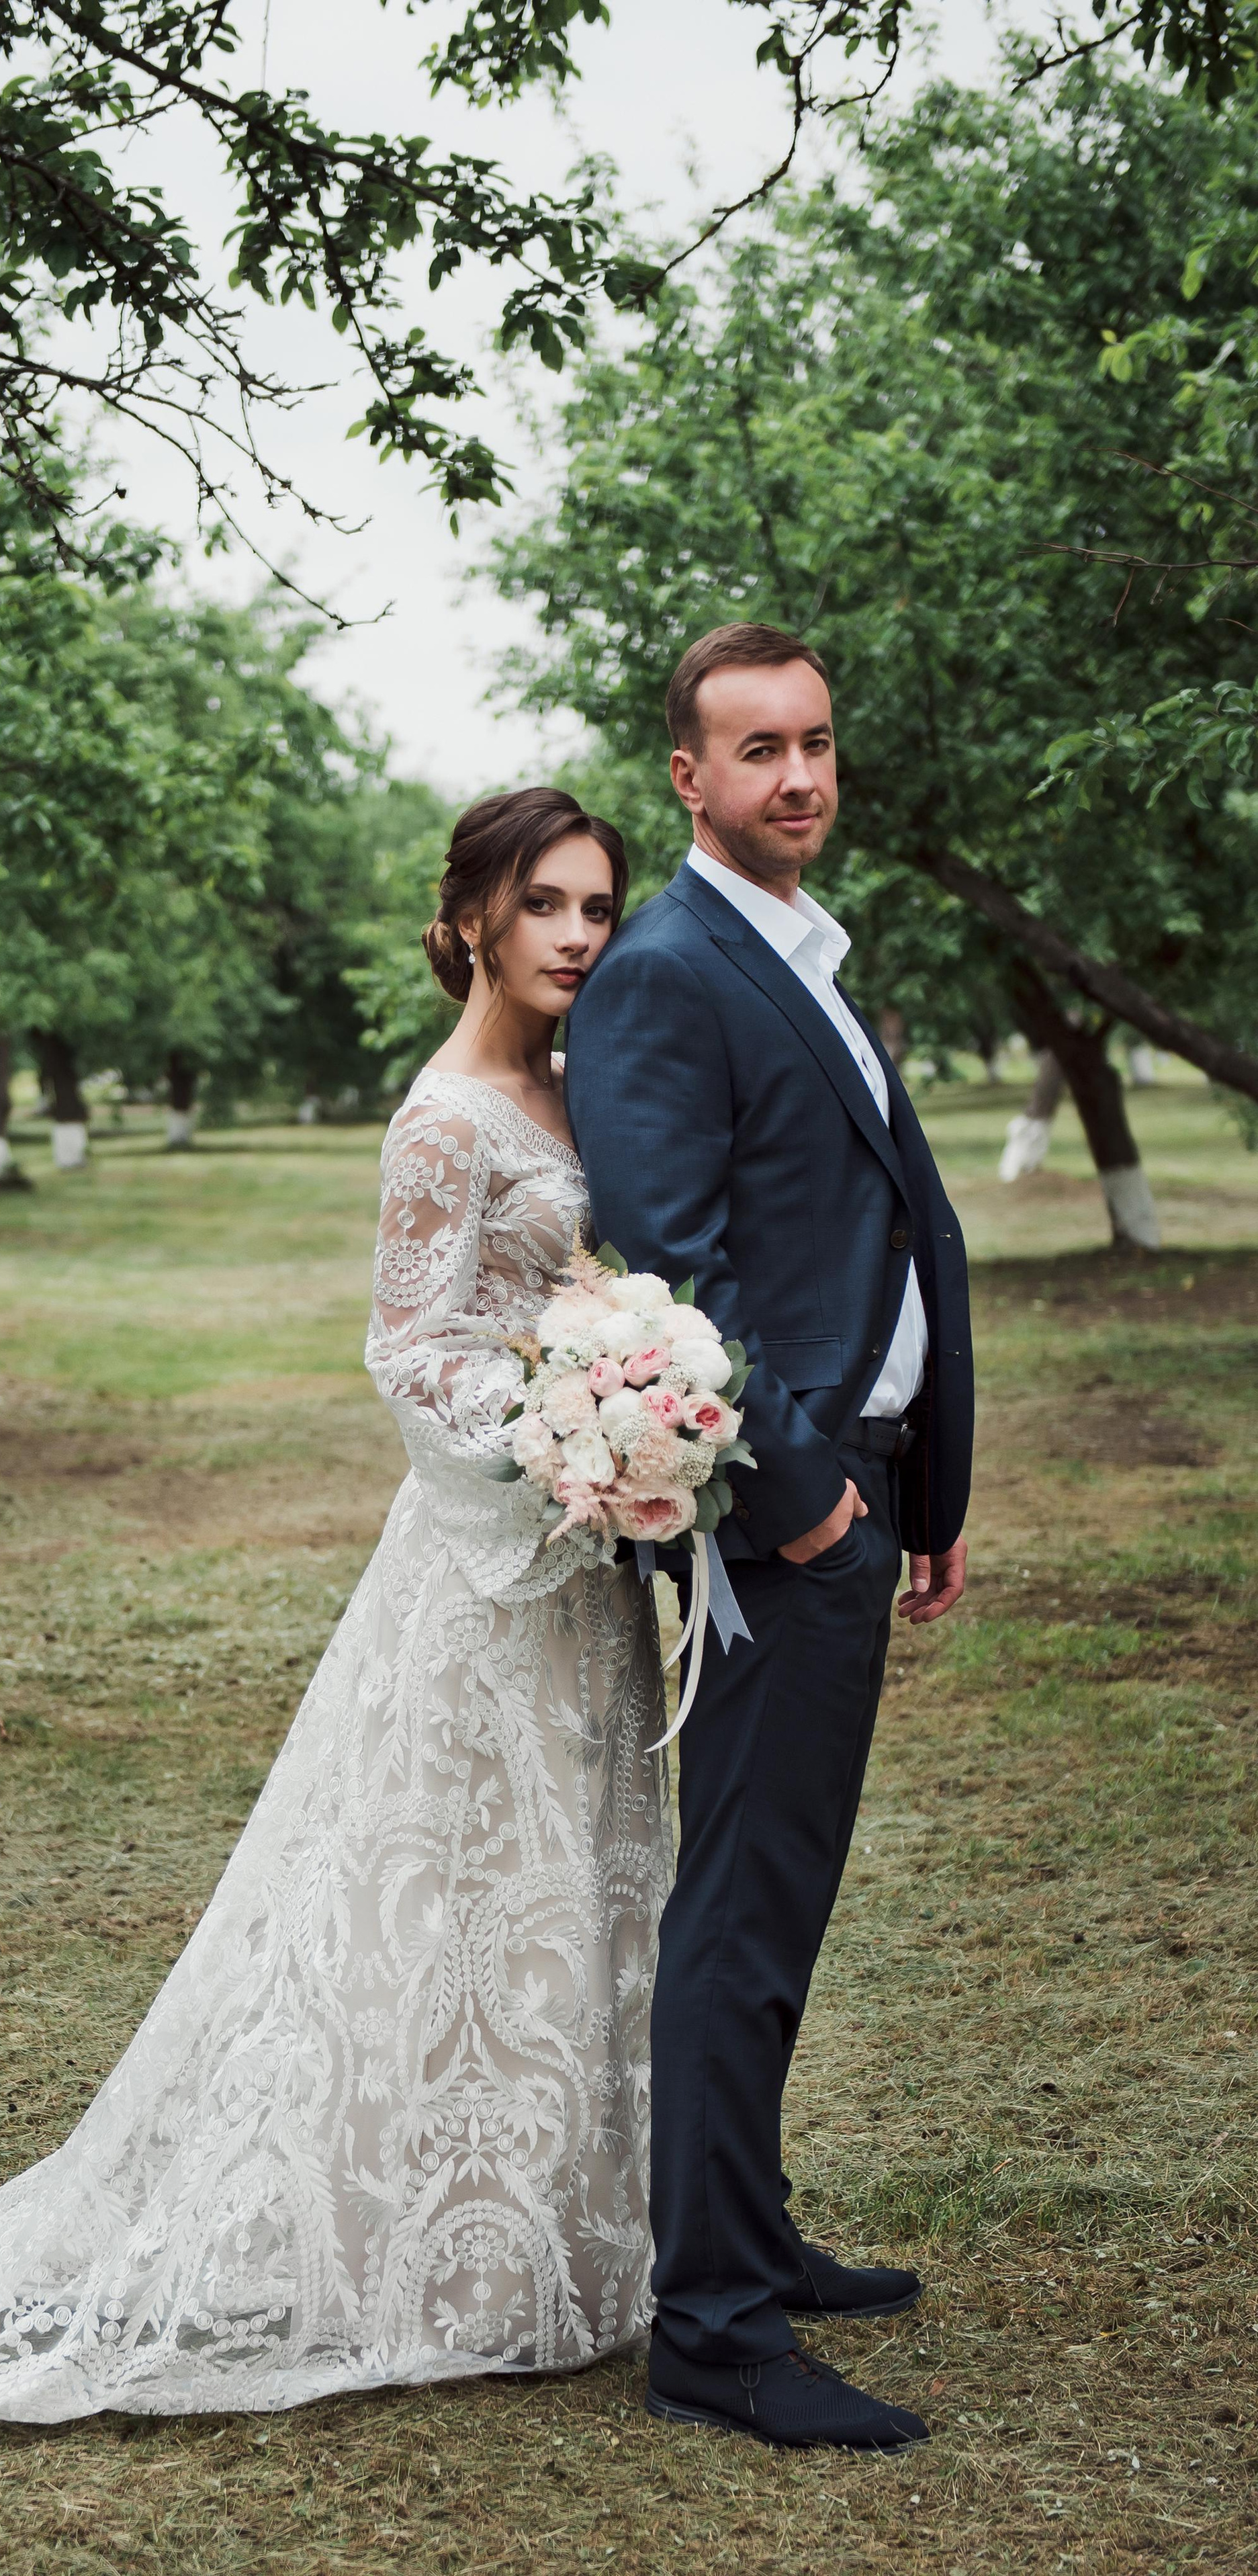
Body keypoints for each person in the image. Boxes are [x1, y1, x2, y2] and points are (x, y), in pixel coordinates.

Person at [0, 788, 676, 2426]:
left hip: (584, 1565)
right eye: (541, 903)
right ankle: (418, 2249)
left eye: (595, 907)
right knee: (447, 1895)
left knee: (553, 1893)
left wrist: (633, 1411)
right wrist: (564, 1433)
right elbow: (411, 1353)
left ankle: (528, 2235)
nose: (573, 935)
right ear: (472, 916)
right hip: (490, 1557)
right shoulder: (443, 1120)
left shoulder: (574, 1085)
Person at [566, 621, 974, 2452]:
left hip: (860, 1490)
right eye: (757, 749)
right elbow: (676, 1274)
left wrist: (922, 1488)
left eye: (813, 741)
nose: (797, 775)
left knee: (779, 1898)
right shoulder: (667, 970)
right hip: (778, 1522)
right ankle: (714, 2332)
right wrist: (811, 1500)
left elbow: (881, 1229)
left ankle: (751, 2231)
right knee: (738, 1909)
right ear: (688, 776)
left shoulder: (800, 948)